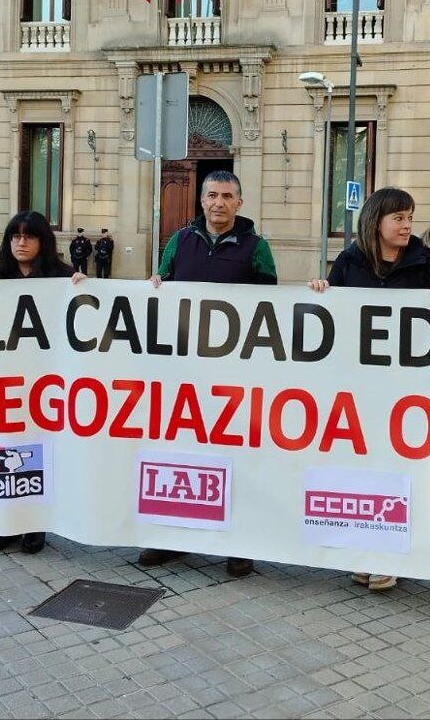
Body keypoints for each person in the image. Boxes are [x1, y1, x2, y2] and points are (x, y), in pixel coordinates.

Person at [307, 187, 430, 591]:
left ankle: (388, 554)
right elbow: (331, 313)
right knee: (361, 470)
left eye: (410, 217)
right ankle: (362, 550)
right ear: (376, 222)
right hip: (360, 389)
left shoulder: (427, 261)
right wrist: (322, 292)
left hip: (408, 389)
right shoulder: (350, 262)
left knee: (397, 469)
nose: (407, 226)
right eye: (399, 219)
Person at [139, 170, 276, 577]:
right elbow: (163, 285)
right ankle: (171, 539)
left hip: (234, 374)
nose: (219, 203)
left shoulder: (257, 247)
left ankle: (239, 544)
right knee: (179, 456)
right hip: (184, 371)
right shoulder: (179, 242)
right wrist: (154, 285)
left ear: (240, 202)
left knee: (236, 457)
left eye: (227, 196)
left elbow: (270, 307)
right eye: (212, 195)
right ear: (201, 200)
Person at [0, 211, 85, 554]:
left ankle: (35, 525)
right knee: (4, 449)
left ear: (43, 242)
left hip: (46, 385)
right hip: (6, 384)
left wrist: (86, 288)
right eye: (15, 237)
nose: (21, 243)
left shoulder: (63, 277)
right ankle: (5, 524)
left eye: (29, 236)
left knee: (42, 450)